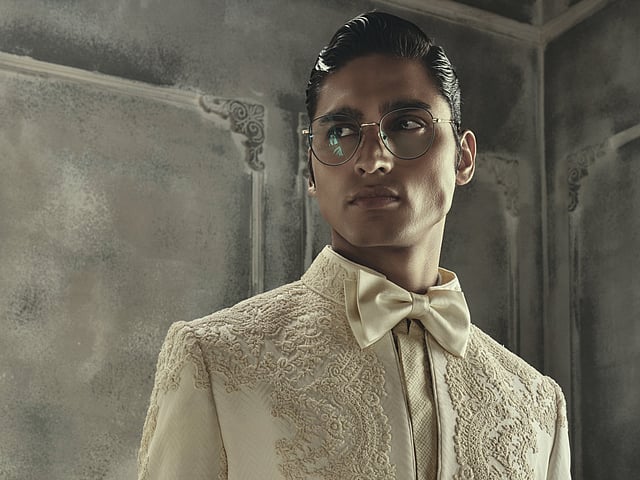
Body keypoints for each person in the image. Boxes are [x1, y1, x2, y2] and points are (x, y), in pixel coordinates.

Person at [138, 11, 571, 480]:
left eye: (406, 123)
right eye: (340, 132)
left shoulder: (536, 404)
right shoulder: (215, 360)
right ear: (311, 168)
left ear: (463, 157)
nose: (372, 159)